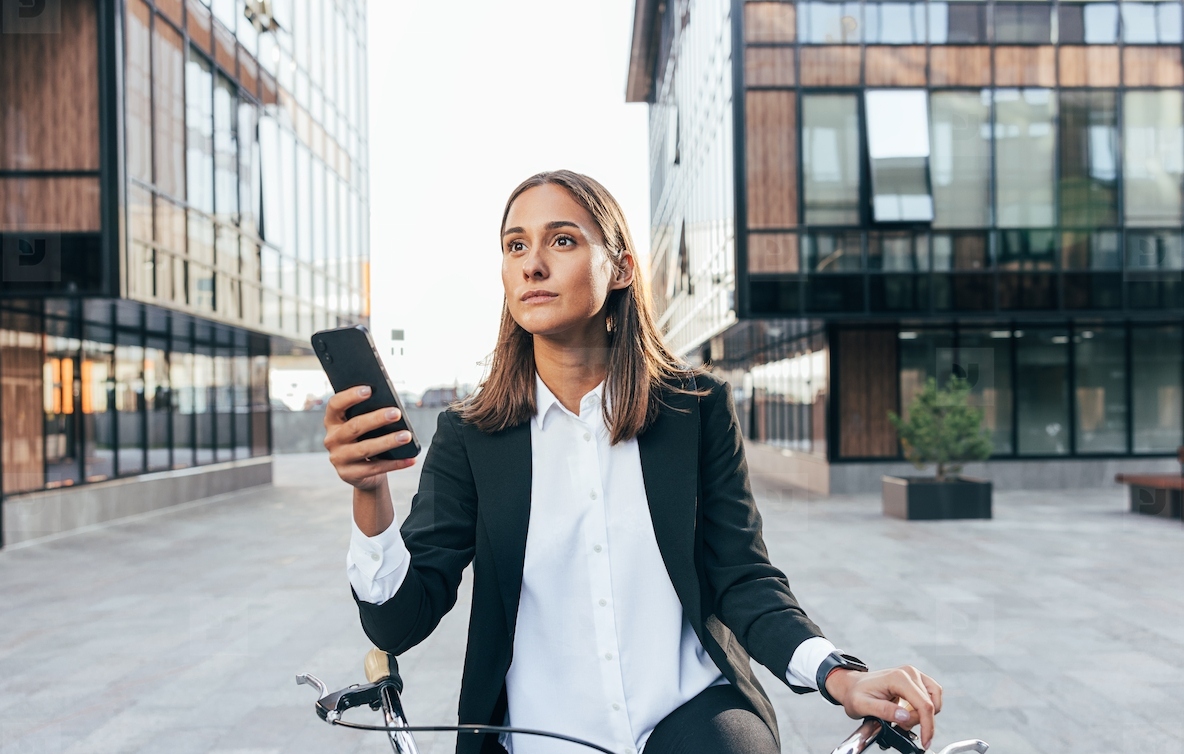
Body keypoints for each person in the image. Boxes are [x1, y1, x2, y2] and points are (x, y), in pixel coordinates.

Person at [323, 171, 942, 754]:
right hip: (540, 735)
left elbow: (743, 577)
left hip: (695, 718)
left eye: (561, 240)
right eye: (515, 245)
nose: (532, 262)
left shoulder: (695, 411)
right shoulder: (470, 435)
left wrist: (839, 675)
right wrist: (370, 491)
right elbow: (396, 623)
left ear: (619, 269)